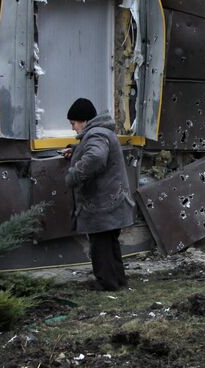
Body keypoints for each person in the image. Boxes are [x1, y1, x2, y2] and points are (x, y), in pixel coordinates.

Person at [62, 98, 135, 291]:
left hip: (102, 204)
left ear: (84, 120)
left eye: (73, 123)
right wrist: (76, 150)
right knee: (110, 245)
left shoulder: (95, 135)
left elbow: (95, 157)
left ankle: (107, 285)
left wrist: (73, 175)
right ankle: (118, 281)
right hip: (112, 202)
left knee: (100, 247)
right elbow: (97, 151)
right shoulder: (102, 133)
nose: (73, 128)